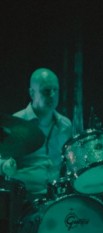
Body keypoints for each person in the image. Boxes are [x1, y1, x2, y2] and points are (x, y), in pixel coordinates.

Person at [1, 68, 73, 196]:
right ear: (32, 93)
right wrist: (4, 166)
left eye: (55, 90)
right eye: (46, 91)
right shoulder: (15, 122)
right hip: (24, 197)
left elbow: (71, 161)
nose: (52, 95)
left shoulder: (65, 125)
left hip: (56, 196)